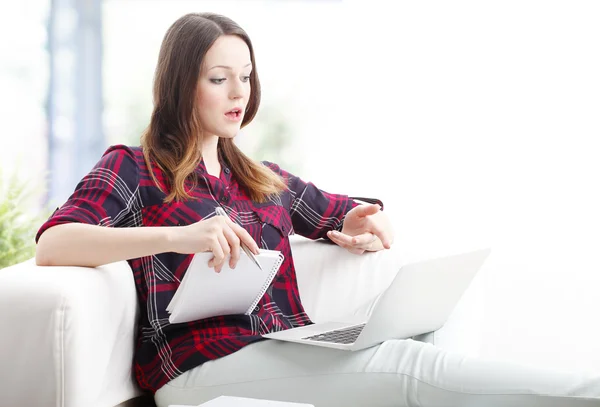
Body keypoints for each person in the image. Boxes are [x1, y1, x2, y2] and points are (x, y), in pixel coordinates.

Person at [35, 12, 600, 407]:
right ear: (183, 85)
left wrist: (359, 222)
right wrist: (176, 238)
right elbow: (54, 243)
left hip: (280, 345)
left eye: (246, 77)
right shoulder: (137, 168)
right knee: (412, 370)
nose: (239, 93)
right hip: (197, 369)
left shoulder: (262, 180)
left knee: (428, 336)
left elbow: (349, 213)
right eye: (219, 78)